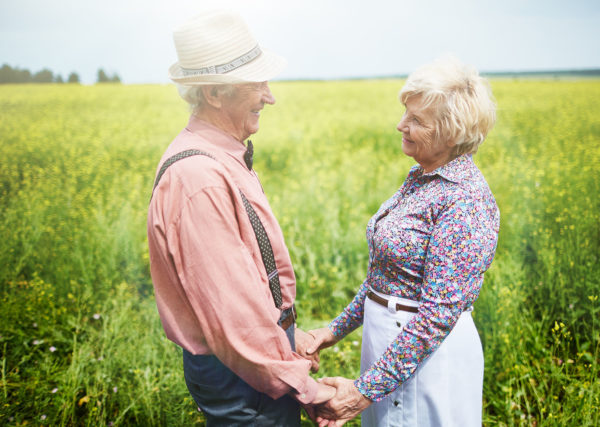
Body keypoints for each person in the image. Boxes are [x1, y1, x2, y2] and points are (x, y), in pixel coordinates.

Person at [147, 11, 334, 426]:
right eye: (257, 84)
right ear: (214, 93)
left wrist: (287, 337)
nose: (270, 97)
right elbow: (232, 317)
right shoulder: (199, 179)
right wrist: (308, 387)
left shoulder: (221, 158)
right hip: (243, 376)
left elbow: (249, 288)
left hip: (254, 364)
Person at [307, 57, 500, 426]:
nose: (401, 125)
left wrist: (362, 391)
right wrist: (330, 333)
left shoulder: (465, 199)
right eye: (404, 114)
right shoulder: (420, 175)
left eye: (416, 120)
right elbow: (387, 278)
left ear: (451, 132)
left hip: (426, 360)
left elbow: (436, 315)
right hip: (390, 351)